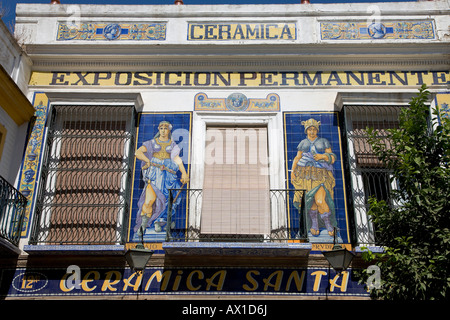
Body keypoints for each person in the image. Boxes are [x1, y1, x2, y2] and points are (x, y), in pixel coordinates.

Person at [134, 121, 189, 236]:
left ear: (169, 131)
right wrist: (148, 161)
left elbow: (177, 159)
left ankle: (159, 222)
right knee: (149, 200)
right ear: (158, 130)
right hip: (154, 175)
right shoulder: (151, 143)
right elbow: (138, 152)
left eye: (166, 128)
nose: (163, 130)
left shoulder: (173, 145)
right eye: (161, 128)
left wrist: (184, 173)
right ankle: (143, 225)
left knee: (166, 202)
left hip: (168, 177)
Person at [290, 118, 337, 237]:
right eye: (309, 129)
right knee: (311, 201)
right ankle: (314, 224)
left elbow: (332, 157)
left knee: (320, 200)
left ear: (317, 130)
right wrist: (292, 171)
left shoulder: (323, 141)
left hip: (320, 174)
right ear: (306, 131)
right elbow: (297, 158)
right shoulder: (303, 143)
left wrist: (322, 156)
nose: (311, 132)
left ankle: (328, 224)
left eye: (313, 129)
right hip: (304, 174)